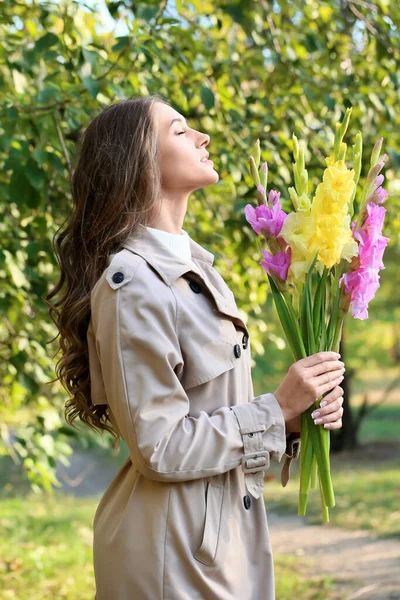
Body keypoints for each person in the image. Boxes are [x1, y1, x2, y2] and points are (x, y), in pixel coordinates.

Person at [46, 95, 345, 600]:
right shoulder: (133, 284)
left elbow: (214, 413)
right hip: (173, 556)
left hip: (219, 543)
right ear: (139, 160)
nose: (203, 138)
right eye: (180, 131)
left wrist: (295, 415)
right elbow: (159, 447)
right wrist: (274, 408)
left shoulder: (195, 272)